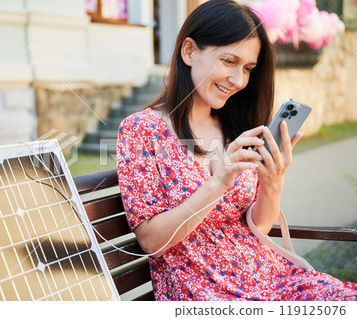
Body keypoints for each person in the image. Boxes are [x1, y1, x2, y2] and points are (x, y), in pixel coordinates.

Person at [116, 0, 356, 301]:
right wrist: (218, 183)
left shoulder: (233, 128)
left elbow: (259, 226)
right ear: (189, 51)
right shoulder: (141, 130)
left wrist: (273, 180)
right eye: (229, 61)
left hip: (270, 277)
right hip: (206, 291)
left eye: (248, 68)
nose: (239, 80)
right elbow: (152, 242)